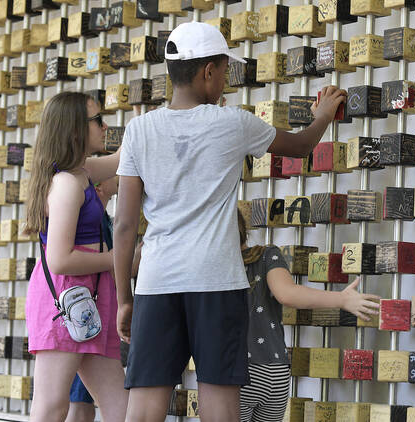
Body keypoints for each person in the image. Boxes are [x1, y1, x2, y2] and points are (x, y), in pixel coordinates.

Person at [112, 21, 347, 422]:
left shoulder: (138, 131)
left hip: (157, 282)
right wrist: (323, 115)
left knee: (144, 409)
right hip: (217, 283)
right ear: (208, 71)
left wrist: (123, 298)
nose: (225, 81)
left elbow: (124, 225)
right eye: (224, 71)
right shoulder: (233, 123)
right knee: (219, 404)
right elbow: (302, 146)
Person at [23, 91, 128, 422]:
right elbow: (60, 260)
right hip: (67, 299)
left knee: (121, 408)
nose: (104, 126)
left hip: (88, 299)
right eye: (97, 120)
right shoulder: (68, 182)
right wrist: (119, 259)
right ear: (74, 130)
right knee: (52, 406)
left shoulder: (81, 172)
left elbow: (120, 160)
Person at [236, 211, 379, 422]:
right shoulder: (267, 255)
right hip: (275, 371)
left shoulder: (214, 267)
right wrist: (342, 300)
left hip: (237, 371)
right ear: (244, 230)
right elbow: (288, 294)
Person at [65, 176, 119, 422]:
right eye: (115, 181)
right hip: (84, 311)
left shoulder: (103, 220)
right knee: (78, 398)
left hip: (97, 311)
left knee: (89, 396)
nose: (120, 185)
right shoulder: (89, 219)